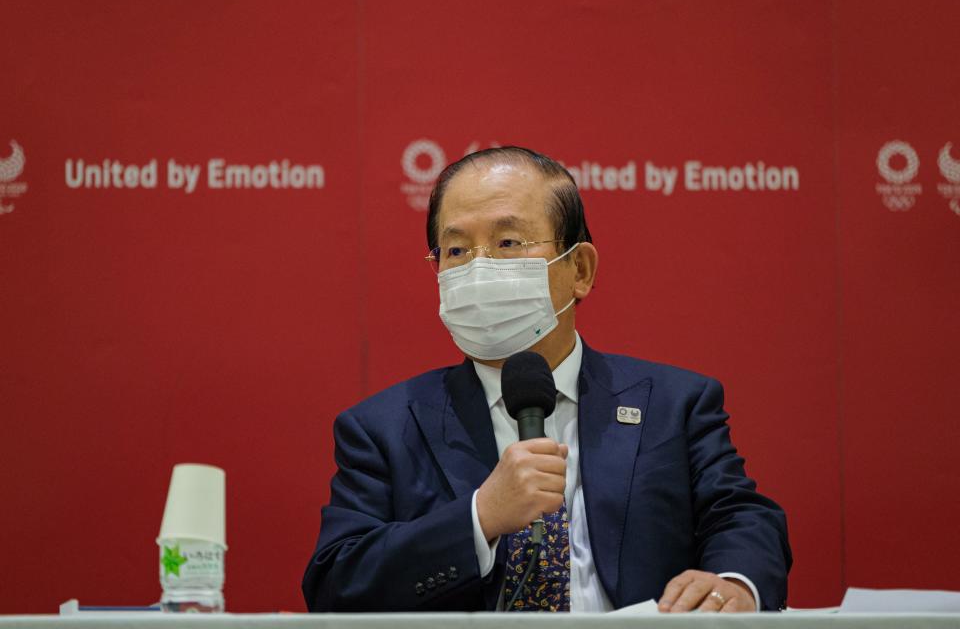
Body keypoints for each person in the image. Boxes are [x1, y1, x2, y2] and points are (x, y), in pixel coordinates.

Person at [302, 146, 791, 613]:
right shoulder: (382, 428)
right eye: (455, 250)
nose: (478, 267)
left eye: (508, 242)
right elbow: (337, 582)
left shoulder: (675, 404)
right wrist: (479, 518)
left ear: (578, 269)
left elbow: (743, 517)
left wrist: (733, 585)